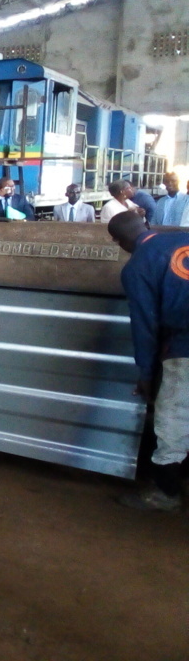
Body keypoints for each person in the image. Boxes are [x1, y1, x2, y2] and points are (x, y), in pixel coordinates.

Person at [108, 211, 189, 511]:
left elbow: (145, 324)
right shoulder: (184, 238)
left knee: (172, 419)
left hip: (185, 344)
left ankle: (166, 493)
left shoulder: (137, 267)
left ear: (118, 242)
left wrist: (146, 372)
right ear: (147, 225)